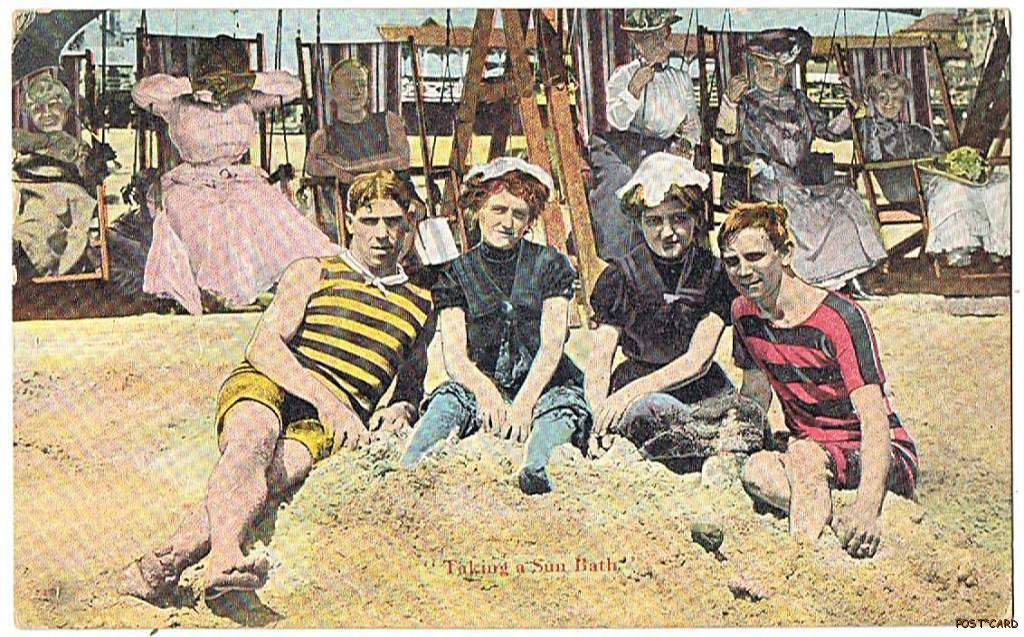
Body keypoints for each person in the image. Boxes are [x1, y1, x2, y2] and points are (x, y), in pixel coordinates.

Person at [118, 170, 434, 603]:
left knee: (278, 474)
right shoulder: (315, 270)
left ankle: (164, 564)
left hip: (327, 422)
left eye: (393, 222)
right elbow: (264, 346)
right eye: (370, 221)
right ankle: (225, 557)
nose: (382, 234)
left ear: (409, 223)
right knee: (254, 440)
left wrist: (401, 409)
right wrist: (329, 403)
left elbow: (411, 387)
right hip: (274, 382)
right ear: (350, 222)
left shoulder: (420, 302)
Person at [718, 202, 918, 559]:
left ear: (785, 253)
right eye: (732, 262)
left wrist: (868, 508)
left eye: (755, 257)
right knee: (757, 470)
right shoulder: (744, 314)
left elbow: (875, 420)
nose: (743, 271)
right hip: (811, 452)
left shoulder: (840, 318)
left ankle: (804, 559)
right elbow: (755, 395)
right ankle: (828, 516)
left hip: (877, 454)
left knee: (804, 455)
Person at [399, 157, 591, 496]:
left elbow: (551, 346)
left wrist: (524, 403)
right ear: (479, 211)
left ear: (529, 221)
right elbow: (455, 356)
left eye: (519, 214)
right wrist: (486, 393)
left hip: (543, 383)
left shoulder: (551, 264)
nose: (507, 223)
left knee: (560, 412)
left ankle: (537, 465)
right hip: (483, 383)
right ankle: (411, 463)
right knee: (448, 401)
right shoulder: (455, 274)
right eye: (498, 210)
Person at [131, 35, 338, 315]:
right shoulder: (177, 101)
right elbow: (141, 92)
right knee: (207, 218)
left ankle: (278, 285)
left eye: (230, 65)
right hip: (191, 181)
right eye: (215, 65)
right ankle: (217, 293)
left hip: (240, 178)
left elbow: (293, 87)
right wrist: (195, 85)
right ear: (202, 67)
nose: (222, 72)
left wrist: (248, 81)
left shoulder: (246, 98)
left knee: (271, 210)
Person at [585, 153, 767, 471]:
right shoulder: (620, 276)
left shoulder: (712, 273)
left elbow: (698, 360)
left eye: (679, 219)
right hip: (640, 386)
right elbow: (600, 360)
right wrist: (600, 415)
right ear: (639, 221)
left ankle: (695, 444)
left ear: (695, 218)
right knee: (652, 412)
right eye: (654, 221)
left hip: (698, 384)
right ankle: (702, 446)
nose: (668, 233)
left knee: (748, 416)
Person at [715, 28, 886, 296]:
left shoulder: (799, 101)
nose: (774, 75)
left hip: (800, 180)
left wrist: (848, 111)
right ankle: (816, 280)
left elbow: (828, 130)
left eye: (781, 70)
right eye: (768, 68)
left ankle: (849, 275)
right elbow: (724, 136)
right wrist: (729, 102)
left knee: (847, 199)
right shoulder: (745, 103)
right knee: (804, 213)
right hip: (764, 183)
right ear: (754, 68)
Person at [857, 69, 1010, 266]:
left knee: (998, 183)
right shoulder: (869, 129)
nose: (889, 104)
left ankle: (998, 245)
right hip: (903, 185)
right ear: (873, 100)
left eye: (896, 99)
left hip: (930, 177)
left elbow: (941, 156)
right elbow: (870, 155)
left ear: (903, 102)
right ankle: (958, 248)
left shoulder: (915, 132)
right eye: (883, 98)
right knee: (955, 188)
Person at [588, 8, 701, 261]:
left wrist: (685, 142)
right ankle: (621, 258)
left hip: (663, 149)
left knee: (677, 183)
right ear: (637, 43)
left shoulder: (680, 79)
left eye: (663, 35)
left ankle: (670, 255)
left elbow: (692, 125)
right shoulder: (625, 75)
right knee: (624, 183)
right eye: (651, 38)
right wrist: (634, 88)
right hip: (621, 148)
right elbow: (616, 120)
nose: (659, 43)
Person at [13, 73, 113, 277]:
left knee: (47, 218)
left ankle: (34, 257)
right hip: (28, 191)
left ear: (66, 108)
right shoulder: (23, 141)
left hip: (65, 199)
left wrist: (92, 165)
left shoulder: (77, 147)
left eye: (53, 105)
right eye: (37, 109)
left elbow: (90, 183)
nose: (46, 114)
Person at [305, 59, 417, 236]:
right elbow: (311, 166)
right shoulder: (324, 136)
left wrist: (349, 167)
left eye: (362, 84)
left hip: (398, 200)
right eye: (350, 84)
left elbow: (402, 159)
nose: (357, 90)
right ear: (334, 92)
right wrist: (335, 171)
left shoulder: (389, 120)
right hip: (357, 212)